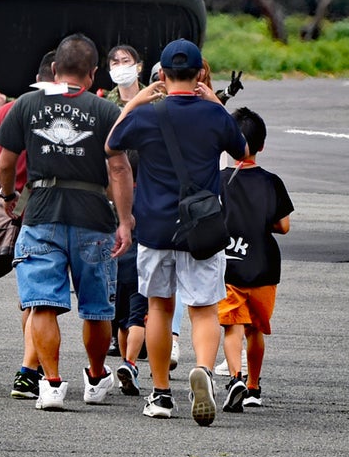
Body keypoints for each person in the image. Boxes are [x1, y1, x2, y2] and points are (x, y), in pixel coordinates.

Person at [106, 39, 247, 426]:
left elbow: (111, 143)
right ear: (201, 73)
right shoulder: (213, 116)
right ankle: (202, 369)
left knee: (158, 309)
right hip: (201, 229)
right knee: (202, 310)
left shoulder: (148, 115)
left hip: (154, 227)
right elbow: (243, 149)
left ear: (163, 75)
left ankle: (162, 393)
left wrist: (138, 100)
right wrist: (218, 104)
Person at [0, 34, 134, 412]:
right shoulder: (105, 111)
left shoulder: (26, 104)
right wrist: (125, 220)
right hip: (93, 217)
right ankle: (95, 374)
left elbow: (4, 160)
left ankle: (51, 383)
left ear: (54, 70)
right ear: (92, 74)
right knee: (96, 308)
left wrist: (8, 196)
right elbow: (119, 168)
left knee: (42, 304)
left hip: (41, 214)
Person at [0, 51, 56, 399]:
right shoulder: (72, 111)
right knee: (42, 299)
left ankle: (35, 367)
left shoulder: (8, 112)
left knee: (31, 297)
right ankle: (30, 370)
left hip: (13, 209)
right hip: (52, 209)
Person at [218, 108, 294, 412]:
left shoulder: (220, 180)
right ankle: (253, 386)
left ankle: (235, 376)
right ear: (262, 145)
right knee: (256, 330)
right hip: (263, 267)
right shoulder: (271, 182)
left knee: (232, 327)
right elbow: (283, 226)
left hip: (229, 263)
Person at [103, 44, 150, 393]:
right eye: (115, 62)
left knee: (137, 288)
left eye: (126, 61)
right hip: (111, 210)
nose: (121, 67)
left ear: (139, 65)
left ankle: (128, 358)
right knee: (122, 288)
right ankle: (125, 355)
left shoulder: (156, 105)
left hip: (146, 207)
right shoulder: (104, 107)